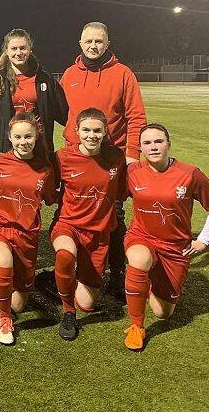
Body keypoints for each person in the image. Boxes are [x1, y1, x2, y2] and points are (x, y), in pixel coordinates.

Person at [59, 22, 146, 297]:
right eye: (88, 41)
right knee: (69, 214)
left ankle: (117, 273)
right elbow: (62, 113)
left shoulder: (123, 74)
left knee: (114, 215)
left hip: (111, 158)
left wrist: (131, 154)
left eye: (99, 41)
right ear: (80, 43)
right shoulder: (70, 74)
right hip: (77, 157)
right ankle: (69, 268)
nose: (93, 46)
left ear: (107, 44)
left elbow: (136, 116)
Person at [122, 124, 209, 351]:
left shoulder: (190, 174)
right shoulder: (132, 171)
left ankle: (148, 283)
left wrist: (204, 239)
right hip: (142, 236)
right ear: (140, 148)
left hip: (175, 247)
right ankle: (136, 327)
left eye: (158, 141)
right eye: (147, 143)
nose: (153, 147)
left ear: (168, 144)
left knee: (163, 312)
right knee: (138, 260)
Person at [50, 108, 126, 341]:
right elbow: (47, 188)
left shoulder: (116, 157)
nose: (91, 135)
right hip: (68, 225)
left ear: (105, 132)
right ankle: (68, 312)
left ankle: (69, 280)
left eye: (97, 131)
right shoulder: (62, 157)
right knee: (65, 255)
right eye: (86, 130)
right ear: (76, 131)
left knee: (87, 304)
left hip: (99, 234)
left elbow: (124, 190)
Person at [0, 112, 56, 345]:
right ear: (9, 137)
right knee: (4, 260)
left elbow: (52, 198)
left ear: (36, 137)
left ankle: (1, 279)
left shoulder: (45, 168)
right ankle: (4, 320)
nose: (23, 142)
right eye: (18, 137)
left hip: (27, 237)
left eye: (28, 137)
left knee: (18, 305)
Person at [0, 28, 67, 158]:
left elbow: (63, 113)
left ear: (30, 50)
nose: (18, 52)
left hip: (36, 148)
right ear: (7, 51)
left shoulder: (45, 79)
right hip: (2, 150)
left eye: (23, 48)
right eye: (14, 48)